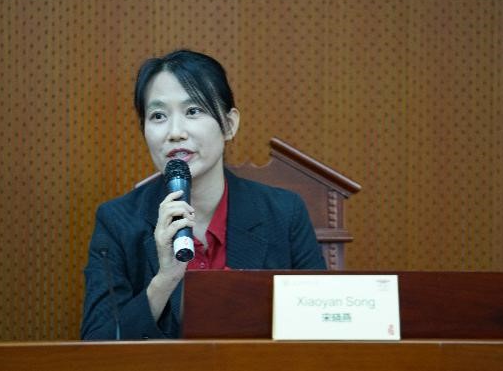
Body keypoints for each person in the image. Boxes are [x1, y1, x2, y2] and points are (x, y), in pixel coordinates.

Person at [80, 49, 326, 340]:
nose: (175, 132)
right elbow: (96, 345)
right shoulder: (117, 221)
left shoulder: (284, 213)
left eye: (193, 111)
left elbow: (321, 325)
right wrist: (165, 280)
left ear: (229, 124)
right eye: (158, 115)